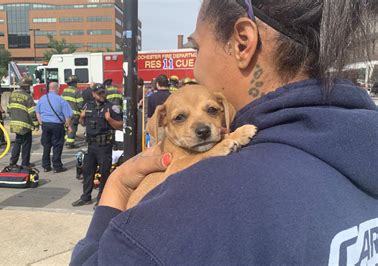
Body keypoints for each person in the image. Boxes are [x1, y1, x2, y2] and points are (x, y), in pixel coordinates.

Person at [71, 0, 377, 265]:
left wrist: (117, 187)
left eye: (197, 48)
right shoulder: (360, 149)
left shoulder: (208, 189)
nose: (193, 70)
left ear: (242, 42)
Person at [72, 83, 123, 208]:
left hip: (104, 146)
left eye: (103, 93)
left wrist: (109, 119)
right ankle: (86, 197)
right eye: (99, 93)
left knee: (104, 173)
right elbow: (82, 124)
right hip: (91, 145)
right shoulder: (88, 106)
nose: (102, 95)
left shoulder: (111, 107)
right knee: (87, 171)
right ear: (93, 94)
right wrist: (82, 118)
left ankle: (101, 199)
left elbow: (120, 125)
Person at [36, 82, 73, 173]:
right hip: (57, 125)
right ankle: (57, 166)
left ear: (49, 88)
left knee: (46, 146)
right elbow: (68, 115)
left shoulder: (42, 98)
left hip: (45, 124)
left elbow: (37, 112)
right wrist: (68, 126)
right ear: (57, 88)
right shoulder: (61, 100)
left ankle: (46, 166)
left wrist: (41, 123)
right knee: (57, 146)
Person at [8, 78, 39, 168]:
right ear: (27, 87)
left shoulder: (12, 95)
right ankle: (25, 163)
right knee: (26, 144)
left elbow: (8, 110)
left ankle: (13, 162)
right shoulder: (27, 96)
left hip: (15, 123)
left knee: (17, 143)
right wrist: (36, 124)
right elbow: (32, 112)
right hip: (25, 125)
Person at [62, 75, 83, 149]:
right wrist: (82, 111)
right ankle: (70, 143)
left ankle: (66, 139)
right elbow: (80, 104)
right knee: (73, 128)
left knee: (67, 127)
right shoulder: (77, 91)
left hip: (64, 113)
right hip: (74, 114)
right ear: (74, 83)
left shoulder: (65, 90)